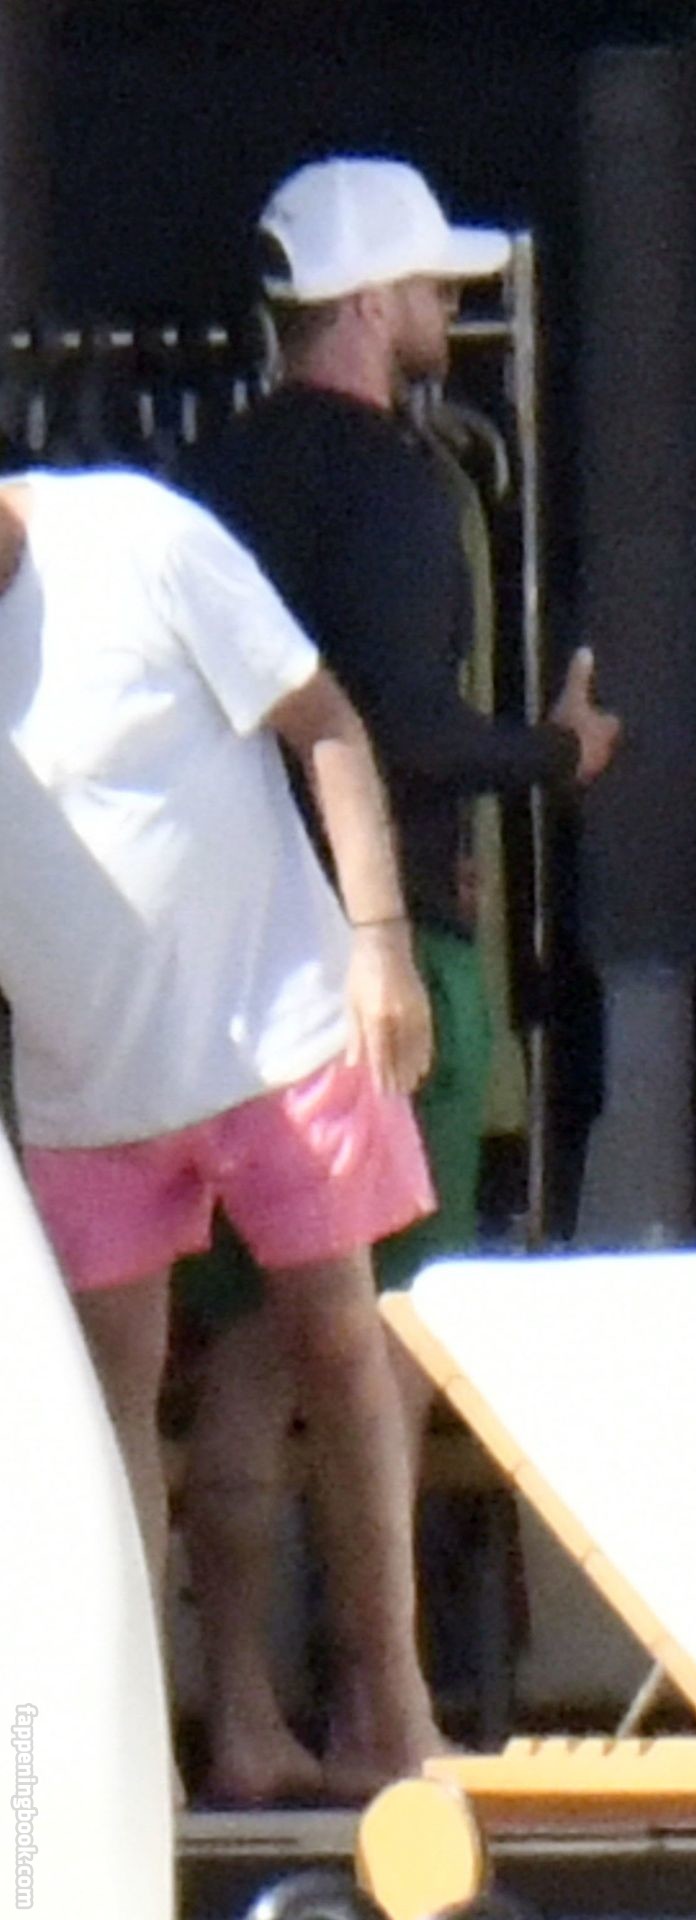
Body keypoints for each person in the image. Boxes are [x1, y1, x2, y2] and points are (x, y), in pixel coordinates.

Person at [178, 155, 619, 1791]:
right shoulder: (398, 483)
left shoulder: (206, 480)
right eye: (430, 288)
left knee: (238, 1348)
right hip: (380, 947)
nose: (446, 309)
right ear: (369, 308)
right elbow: (399, 729)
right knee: (378, 1343)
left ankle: (240, 1713)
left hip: (221, 951)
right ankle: (384, 1708)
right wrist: (554, 754)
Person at [0, 466, 447, 1802]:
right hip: (85, 1077)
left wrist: (380, 943)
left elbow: (325, 720)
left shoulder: (137, 537)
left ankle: (392, 1710)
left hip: (280, 1028)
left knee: (339, 1344)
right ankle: (147, 1748)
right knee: (105, 1406)